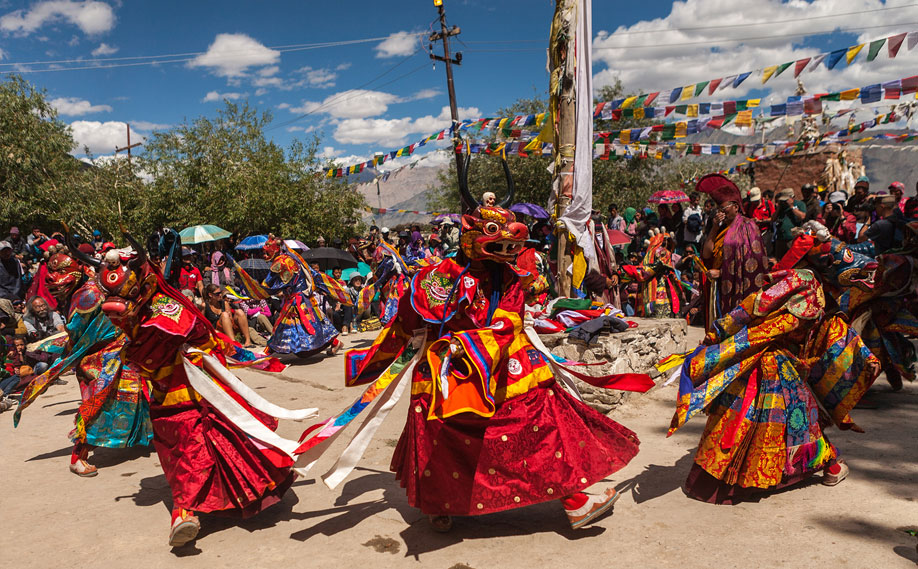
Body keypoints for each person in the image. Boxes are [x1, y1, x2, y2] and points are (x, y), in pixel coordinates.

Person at [299, 196, 655, 533]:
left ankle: (575, 500)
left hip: (503, 365)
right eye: (494, 244)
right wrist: (376, 361)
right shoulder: (436, 277)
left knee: (541, 419)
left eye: (509, 246)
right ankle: (439, 504)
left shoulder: (512, 276)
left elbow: (509, 319)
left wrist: (473, 341)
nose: (504, 254)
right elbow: (408, 320)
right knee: (440, 435)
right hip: (447, 370)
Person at [95, 234, 314, 547]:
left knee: (194, 448)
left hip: (191, 392)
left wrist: (189, 351)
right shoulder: (131, 315)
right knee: (177, 452)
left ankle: (185, 512)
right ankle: (196, 504)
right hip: (160, 395)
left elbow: (200, 336)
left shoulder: (166, 307)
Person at [698, 174, 768, 332]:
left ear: (736, 207)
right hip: (717, 287)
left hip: (737, 285)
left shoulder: (748, 227)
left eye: (724, 208)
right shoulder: (721, 228)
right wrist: (714, 227)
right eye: (718, 209)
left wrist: (722, 272)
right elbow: (707, 255)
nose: (720, 212)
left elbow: (752, 263)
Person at [772, 187, 806, 258]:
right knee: (779, 259)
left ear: (792, 198)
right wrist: (778, 208)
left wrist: (791, 206)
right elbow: (773, 219)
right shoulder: (782, 206)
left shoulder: (800, 204)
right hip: (781, 238)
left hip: (793, 239)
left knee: (791, 259)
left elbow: (802, 216)